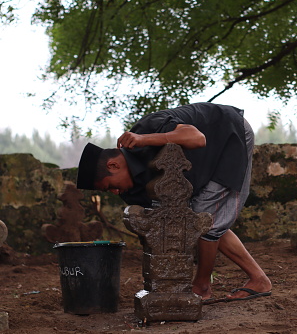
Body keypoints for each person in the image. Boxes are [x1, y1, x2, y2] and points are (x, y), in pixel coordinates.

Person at [76, 102, 272, 303]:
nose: (115, 192)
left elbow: (197, 138)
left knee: (206, 215)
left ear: (114, 165)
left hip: (227, 134)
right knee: (203, 219)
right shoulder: (132, 192)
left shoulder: (146, 128)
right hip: (203, 165)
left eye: (109, 186)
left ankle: (202, 286)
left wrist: (146, 140)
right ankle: (258, 279)